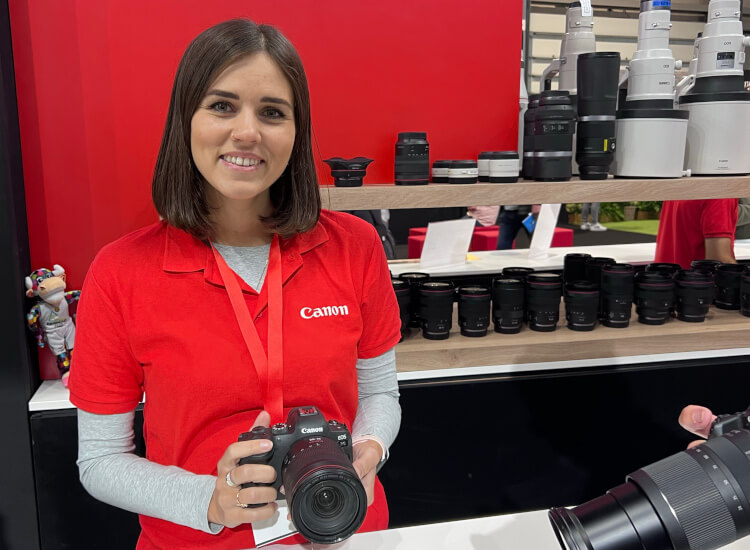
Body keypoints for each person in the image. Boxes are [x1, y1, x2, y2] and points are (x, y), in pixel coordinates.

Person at [68, 19, 401, 550]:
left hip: (346, 530)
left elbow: (381, 392)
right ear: (186, 120)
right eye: (222, 106)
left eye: (272, 112)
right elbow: (100, 460)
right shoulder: (120, 272)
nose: (247, 133)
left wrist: (368, 448)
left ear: (297, 131)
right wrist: (210, 500)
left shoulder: (354, 247)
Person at [655, 199, 739, 269]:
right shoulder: (720, 195)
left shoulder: (683, 186)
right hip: (694, 284)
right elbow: (720, 262)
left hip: (665, 282)